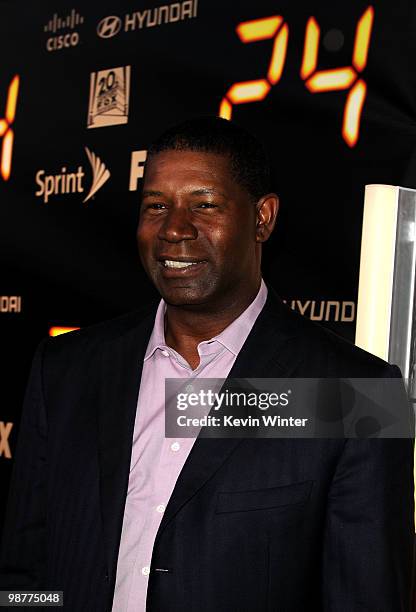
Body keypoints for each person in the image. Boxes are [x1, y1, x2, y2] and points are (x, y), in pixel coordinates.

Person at [0, 117, 414, 611]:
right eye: (156, 205)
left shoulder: (357, 393)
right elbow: (26, 577)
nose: (174, 228)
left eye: (204, 205)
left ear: (262, 218)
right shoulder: (65, 371)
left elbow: (366, 598)